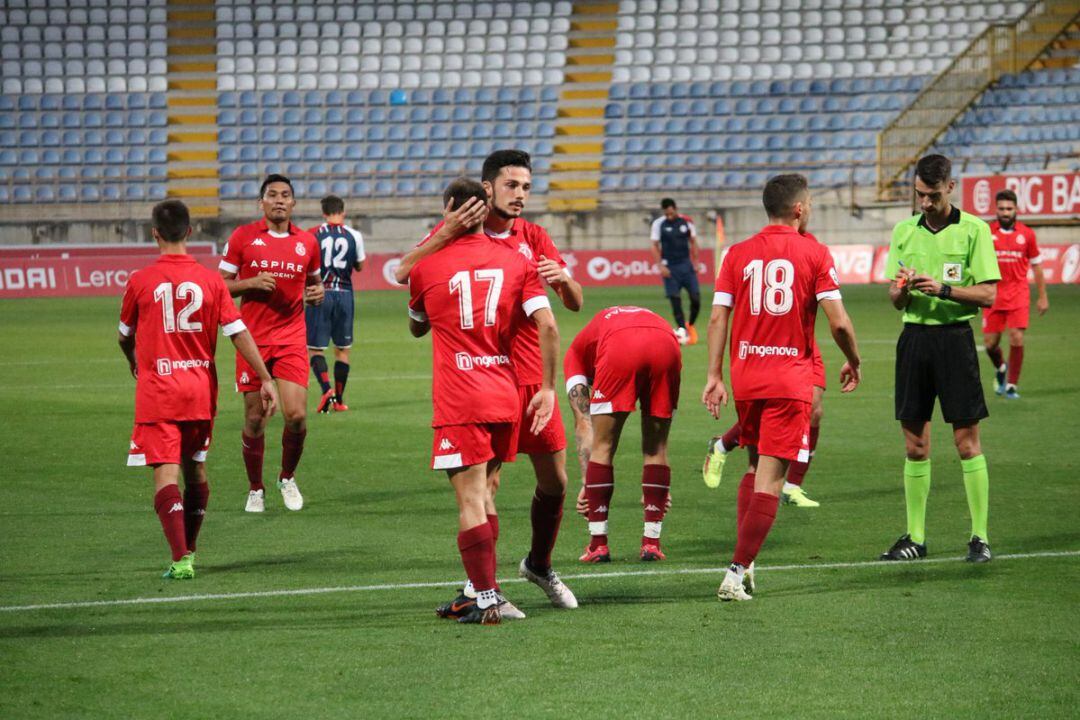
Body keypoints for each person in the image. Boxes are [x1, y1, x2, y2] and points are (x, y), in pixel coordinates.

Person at [396, 150, 581, 614]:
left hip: (528, 377)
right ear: (487, 189)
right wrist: (449, 231)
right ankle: (481, 587)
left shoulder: (533, 238)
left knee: (555, 481)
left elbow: (574, 305)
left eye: (526, 187)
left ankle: (537, 565)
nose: (521, 195)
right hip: (496, 375)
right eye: (513, 186)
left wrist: (563, 280)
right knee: (485, 488)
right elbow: (407, 271)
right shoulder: (448, 233)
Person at [702, 174, 861, 601]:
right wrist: (854, 359)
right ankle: (735, 573)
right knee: (771, 481)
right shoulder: (814, 252)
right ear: (799, 209)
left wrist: (714, 376)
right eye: (808, 203)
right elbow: (839, 321)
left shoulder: (736, 254)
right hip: (790, 380)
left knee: (754, 469)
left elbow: (718, 318)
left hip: (747, 379)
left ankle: (747, 562)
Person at [120, 200, 279, 579]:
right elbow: (237, 332)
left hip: (158, 390)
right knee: (196, 470)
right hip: (199, 391)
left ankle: (180, 559)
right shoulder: (211, 281)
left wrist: (133, 360)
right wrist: (266, 377)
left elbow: (124, 335)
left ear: (154, 232)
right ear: (189, 232)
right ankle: (189, 548)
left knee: (166, 475)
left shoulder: (140, 280)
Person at [882, 154, 1000, 564]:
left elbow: (988, 295)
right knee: (915, 444)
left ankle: (979, 537)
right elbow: (895, 300)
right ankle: (915, 536)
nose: (925, 203)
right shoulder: (903, 231)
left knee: (967, 443)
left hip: (955, 340)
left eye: (932, 195)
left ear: (950, 187)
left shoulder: (974, 231)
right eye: (919, 195)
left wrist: (944, 291)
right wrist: (901, 291)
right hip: (914, 339)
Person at [702, 231, 831, 508]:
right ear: (798, 207)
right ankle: (723, 445)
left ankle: (792, 486)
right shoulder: (756, 246)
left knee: (814, 408)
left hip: (800, 341)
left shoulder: (812, 245)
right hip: (767, 344)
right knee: (765, 433)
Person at [219, 174, 324, 513]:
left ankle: (286, 477)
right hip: (253, 339)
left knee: (296, 416)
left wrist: (317, 294)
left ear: (293, 203)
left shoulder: (307, 242)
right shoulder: (243, 237)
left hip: (292, 336)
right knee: (255, 419)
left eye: (286, 195)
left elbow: (314, 283)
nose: (279, 200)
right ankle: (255, 488)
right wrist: (250, 282)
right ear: (261, 202)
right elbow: (219, 286)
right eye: (272, 195)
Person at [564, 306, 682, 562]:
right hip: (666, 340)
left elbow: (585, 427)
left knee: (603, 446)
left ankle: (598, 545)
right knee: (656, 449)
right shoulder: (600, 330)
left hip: (620, 346)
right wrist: (658, 490)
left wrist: (587, 483)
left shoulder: (574, 357)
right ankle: (651, 543)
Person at [982, 189, 1048, 400]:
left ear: (1016, 209)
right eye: (1001, 209)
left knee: (1017, 337)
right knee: (990, 344)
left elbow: (1037, 267)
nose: (1005, 212)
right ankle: (1001, 367)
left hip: (1019, 294)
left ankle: (1011, 385)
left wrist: (1043, 296)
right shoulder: (986, 233)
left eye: (1009, 209)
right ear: (996, 209)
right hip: (992, 295)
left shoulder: (1027, 234)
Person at [306, 194, 366, 413]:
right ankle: (339, 400)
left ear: (323, 213)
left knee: (315, 349)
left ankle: (326, 391)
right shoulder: (354, 235)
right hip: (345, 295)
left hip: (320, 293)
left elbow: (306, 264)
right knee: (342, 351)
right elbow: (360, 265)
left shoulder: (312, 234)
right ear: (344, 211)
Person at [650, 198, 701, 344]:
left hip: (686, 265)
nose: (669, 216)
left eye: (671, 213)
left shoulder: (687, 222)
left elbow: (693, 242)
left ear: (675, 209)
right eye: (666, 214)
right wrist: (660, 266)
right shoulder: (658, 224)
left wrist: (696, 262)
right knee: (675, 300)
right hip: (670, 267)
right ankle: (681, 329)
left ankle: (690, 324)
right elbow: (654, 245)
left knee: (695, 297)